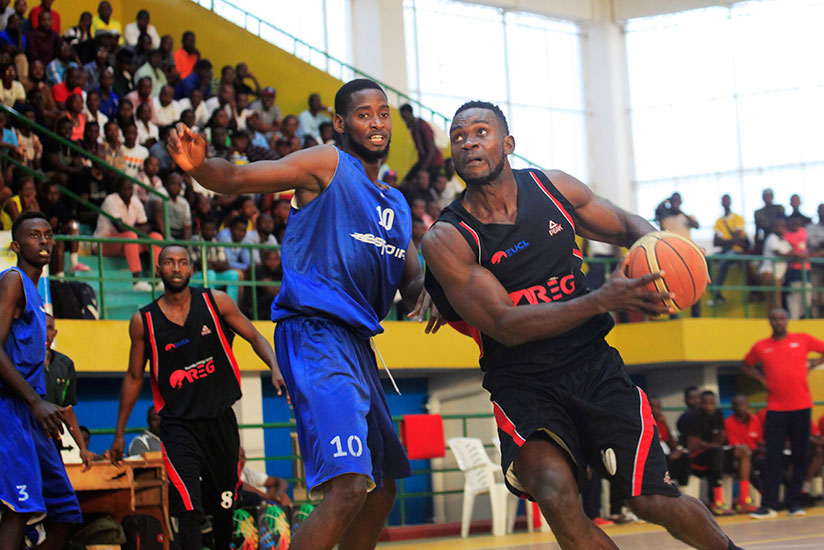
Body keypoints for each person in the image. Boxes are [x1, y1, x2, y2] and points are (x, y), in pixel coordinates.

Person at [421, 100, 742, 550]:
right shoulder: (448, 237)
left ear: (507, 144)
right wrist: (601, 299)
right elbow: (504, 323)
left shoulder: (553, 188)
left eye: (481, 132)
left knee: (651, 499)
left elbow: (626, 226)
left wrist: (665, 254)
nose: (469, 142)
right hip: (523, 383)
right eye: (458, 137)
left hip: (594, 368)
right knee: (554, 493)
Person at [168, 78, 437, 550]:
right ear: (340, 123)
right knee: (350, 486)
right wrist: (202, 167)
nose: (376, 122)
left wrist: (438, 289)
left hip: (357, 344)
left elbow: (412, 280)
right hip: (315, 334)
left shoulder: (395, 203)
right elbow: (240, 179)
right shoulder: (327, 164)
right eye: (363, 114)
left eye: (382, 113)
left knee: (381, 488)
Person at [109, 244, 284, 550]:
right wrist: (119, 433)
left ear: (191, 269)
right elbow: (134, 377)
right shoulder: (143, 321)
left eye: (182, 262)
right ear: (158, 270)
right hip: (178, 426)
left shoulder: (216, 302)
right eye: (169, 262)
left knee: (225, 504)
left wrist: (275, 367)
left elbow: (255, 336)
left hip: (220, 419)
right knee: (189, 507)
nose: (176, 267)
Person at [0, 212, 85, 549]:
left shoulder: (36, 294)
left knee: (66, 511)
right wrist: (35, 402)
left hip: (33, 414)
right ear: (17, 246)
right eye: (34, 235)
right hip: (11, 410)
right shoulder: (13, 281)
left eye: (48, 234)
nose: (44, 240)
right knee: (18, 509)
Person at [741, 307, 824, 518]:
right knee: (773, 457)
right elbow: (746, 365)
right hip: (776, 410)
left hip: (801, 407)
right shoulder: (761, 346)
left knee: (800, 456)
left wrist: (813, 364)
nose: (778, 322)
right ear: (769, 321)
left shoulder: (802, 339)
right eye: (774, 319)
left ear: (787, 320)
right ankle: (768, 505)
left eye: (781, 318)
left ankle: (794, 503)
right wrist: (761, 380)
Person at [94, 177, 163, 291]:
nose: (127, 192)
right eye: (124, 189)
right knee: (131, 236)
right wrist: (138, 230)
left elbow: (146, 226)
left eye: (130, 189)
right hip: (104, 243)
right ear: (118, 190)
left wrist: (138, 230)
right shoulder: (111, 200)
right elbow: (120, 228)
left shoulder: (135, 201)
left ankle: (158, 279)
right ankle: (136, 281)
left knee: (155, 237)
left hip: (126, 244)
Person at [682, 391, 731, 515]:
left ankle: (745, 500)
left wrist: (719, 437)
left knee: (738, 453)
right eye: (706, 403)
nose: (709, 407)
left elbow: (721, 438)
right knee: (717, 454)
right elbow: (693, 444)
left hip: (713, 455)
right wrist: (711, 445)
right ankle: (717, 501)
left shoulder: (718, 414)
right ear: (700, 404)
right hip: (695, 457)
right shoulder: (694, 416)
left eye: (712, 403)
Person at [723, 394, 763, 513]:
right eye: (737, 405)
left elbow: (759, 441)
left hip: (755, 455)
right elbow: (736, 447)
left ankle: (792, 493)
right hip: (737, 458)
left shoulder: (755, 420)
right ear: (732, 408)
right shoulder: (728, 423)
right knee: (748, 467)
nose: (740, 408)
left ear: (747, 405)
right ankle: (747, 499)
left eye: (742, 404)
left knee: (772, 464)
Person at [709, 194, 748, 307]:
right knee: (707, 260)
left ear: (731, 202)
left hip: (737, 250)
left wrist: (723, 240)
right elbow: (715, 242)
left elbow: (737, 240)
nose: (725, 202)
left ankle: (716, 292)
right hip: (725, 251)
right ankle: (716, 292)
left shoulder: (738, 218)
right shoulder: (719, 221)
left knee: (723, 262)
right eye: (724, 200)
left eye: (727, 200)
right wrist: (731, 240)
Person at [399, 103, 443, 183]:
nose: (405, 120)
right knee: (405, 182)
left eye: (405, 117)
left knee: (417, 182)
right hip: (424, 162)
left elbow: (431, 151)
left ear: (410, 113)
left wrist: (422, 170)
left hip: (434, 164)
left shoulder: (423, 126)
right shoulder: (414, 128)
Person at [753, 188, 785, 253]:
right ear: (763, 198)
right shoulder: (758, 213)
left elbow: (783, 223)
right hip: (766, 239)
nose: (768, 198)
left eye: (769, 196)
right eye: (766, 196)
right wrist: (756, 245)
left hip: (780, 238)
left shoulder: (779, 208)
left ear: (772, 197)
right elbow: (758, 230)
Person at [808, 203, 824, 318]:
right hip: (814, 267)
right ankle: (815, 319)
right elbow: (808, 245)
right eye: (821, 210)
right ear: (817, 212)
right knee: (813, 296)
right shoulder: (810, 228)